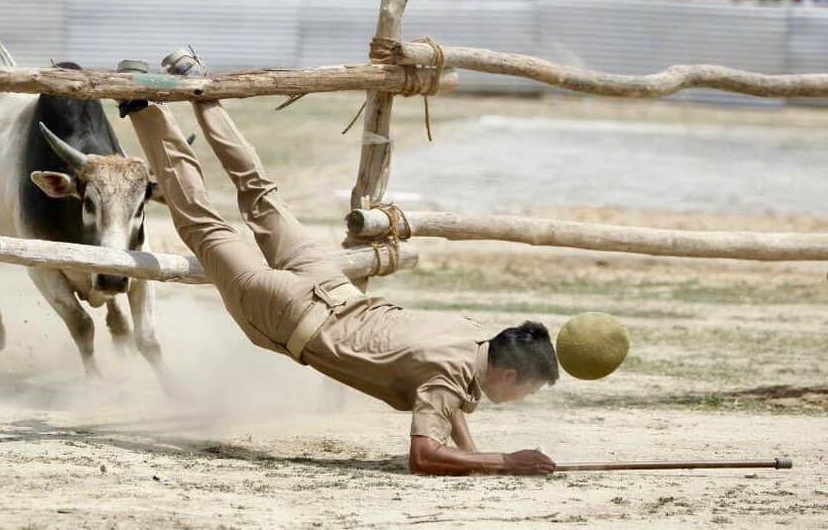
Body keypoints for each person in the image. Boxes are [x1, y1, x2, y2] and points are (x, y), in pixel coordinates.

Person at [118, 49, 560, 476]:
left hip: (330, 286)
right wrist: (506, 461)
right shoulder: (447, 381)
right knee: (205, 227)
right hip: (291, 313)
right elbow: (424, 456)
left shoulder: (472, 334)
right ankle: (143, 106)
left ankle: (197, 83)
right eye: (527, 390)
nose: (523, 398)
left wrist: (474, 456)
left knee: (260, 192)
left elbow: (447, 396)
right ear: (508, 375)